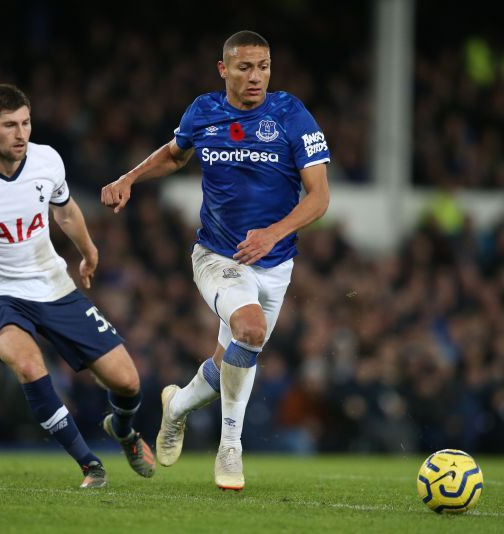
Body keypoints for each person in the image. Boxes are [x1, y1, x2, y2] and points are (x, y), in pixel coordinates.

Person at [101, 30, 330, 490]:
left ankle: (178, 406)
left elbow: (320, 196)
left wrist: (273, 233)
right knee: (249, 328)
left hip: (275, 260)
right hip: (217, 256)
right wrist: (130, 177)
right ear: (223, 69)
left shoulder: (291, 114)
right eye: (245, 67)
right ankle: (231, 447)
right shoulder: (204, 111)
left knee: (233, 356)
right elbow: (174, 155)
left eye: (263, 66)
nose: (256, 77)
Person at [0, 83, 155, 489]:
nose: (21, 134)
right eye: (9, 125)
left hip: (54, 287)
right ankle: (90, 465)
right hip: (0, 297)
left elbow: (64, 210)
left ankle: (123, 429)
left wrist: (88, 250)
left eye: (26, 123)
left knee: (127, 381)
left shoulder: (47, 160)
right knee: (30, 366)